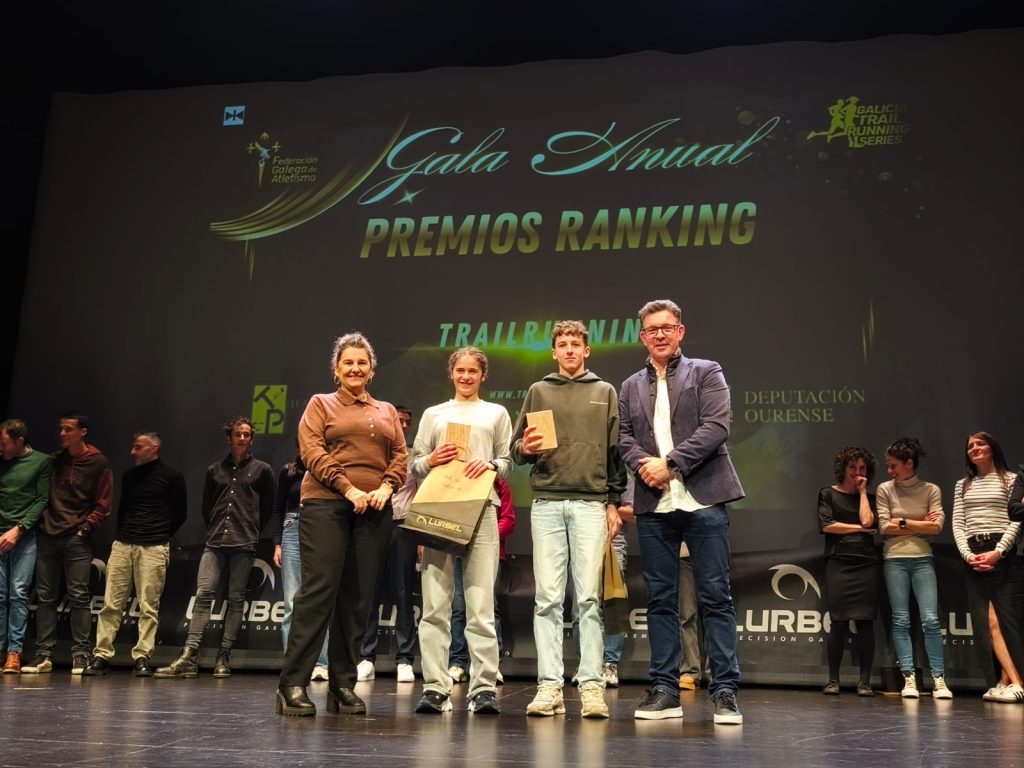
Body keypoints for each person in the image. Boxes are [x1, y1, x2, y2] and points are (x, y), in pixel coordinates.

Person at [618, 299, 745, 724]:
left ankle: (724, 692)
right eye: (651, 329)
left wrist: (670, 463)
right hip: (655, 504)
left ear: (680, 332)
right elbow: (623, 437)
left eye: (666, 327)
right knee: (660, 600)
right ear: (642, 336)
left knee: (715, 597)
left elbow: (716, 427)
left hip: (703, 499)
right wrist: (646, 466)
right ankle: (665, 690)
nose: (659, 334)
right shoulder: (630, 385)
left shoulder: (706, 372)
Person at [276, 332, 407, 717]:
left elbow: (400, 455)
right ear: (336, 369)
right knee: (318, 594)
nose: (355, 368)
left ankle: (343, 685)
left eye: (362, 363)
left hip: (374, 509)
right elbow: (312, 452)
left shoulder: (386, 410)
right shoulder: (321, 404)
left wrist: (386, 487)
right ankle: (292, 684)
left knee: (358, 600)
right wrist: (348, 489)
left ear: (372, 370)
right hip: (327, 505)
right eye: (348, 362)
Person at [510, 320, 625, 719]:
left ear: (586, 350)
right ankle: (549, 687)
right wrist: (526, 447)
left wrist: (613, 502)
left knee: (589, 598)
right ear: (554, 352)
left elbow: (615, 452)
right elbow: (516, 449)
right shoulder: (539, 390)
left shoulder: (604, 391)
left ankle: (591, 686)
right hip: (547, 503)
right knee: (547, 599)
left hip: (591, 503)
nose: (570, 349)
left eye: (576, 343)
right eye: (563, 344)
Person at [411, 346, 512, 716]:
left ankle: (483, 688)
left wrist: (491, 464)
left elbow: (507, 459)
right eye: (460, 370)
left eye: (473, 371)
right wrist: (430, 459)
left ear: (483, 375)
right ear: (451, 374)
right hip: (438, 507)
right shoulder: (434, 413)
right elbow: (415, 462)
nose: (466, 376)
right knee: (435, 605)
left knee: (480, 606)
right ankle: (435, 687)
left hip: (482, 508)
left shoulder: (496, 413)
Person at [155, 417, 274, 679]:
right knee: (204, 594)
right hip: (215, 541)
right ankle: (189, 655)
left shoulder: (263, 470)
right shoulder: (214, 470)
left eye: (246, 434)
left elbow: (267, 509)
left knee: (236, 599)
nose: (242, 438)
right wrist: (217, 528)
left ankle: (224, 656)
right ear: (229, 438)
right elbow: (207, 508)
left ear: (251, 439)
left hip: (244, 542)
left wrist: (251, 530)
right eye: (237, 434)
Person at [84, 432, 187, 677]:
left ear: (154, 448)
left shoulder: (172, 477)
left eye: (138, 447)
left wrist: (159, 535)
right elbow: (123, 510)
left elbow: (181, 514)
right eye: (133, 447)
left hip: (153, 547)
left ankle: (142, 656)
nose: (133, 452)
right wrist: (123, 536)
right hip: (123, 544)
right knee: (111, 603)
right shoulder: (129, 476)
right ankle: (101, 655)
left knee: (148, 606)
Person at [23, 412, 113, 675]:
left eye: (68, 429)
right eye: (61, 429)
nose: (62, 434)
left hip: (76, 538)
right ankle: (43, 655)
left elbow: (103, 503)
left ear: (82, 432)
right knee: (45, 597)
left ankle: (81, 654)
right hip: (48, 536)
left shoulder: (98, 462)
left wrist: (85, 529)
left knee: (79, 596)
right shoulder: (54, 461)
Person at [951, 431, 1024, 702]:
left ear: (993, 448)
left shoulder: (1011, 479)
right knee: (986, 622)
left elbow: (1016, 520)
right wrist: (968, 555)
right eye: (970, 445)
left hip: (1002, 552)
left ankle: (1016, 682)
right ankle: (1006, 681)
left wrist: (999, 552)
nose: (974, 448)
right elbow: (958, 523)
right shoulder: (962, 485)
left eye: (980, 443)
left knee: (1006, 620)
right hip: (973, 553)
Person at [876, 437, 950, 699]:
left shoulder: (931, 490)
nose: (889, 471)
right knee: (901, 619)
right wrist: (920, 523)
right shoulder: (885, 489)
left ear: (909, 463)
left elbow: (937, 527)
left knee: (931, 620)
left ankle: (939, 679)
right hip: (894, 559)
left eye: (893, 465)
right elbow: (883, 526)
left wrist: (903, 521)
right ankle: (909, 678)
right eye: (888, 466)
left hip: (922, 558)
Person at [357, 405, 421, 684]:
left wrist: (421, 535)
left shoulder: (414, 456)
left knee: (403, 592)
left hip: (404, 527)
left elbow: (421, 494)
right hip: (373, 525)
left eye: (407, 422)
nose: (403, 425)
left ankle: (405, 659)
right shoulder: (373, 451)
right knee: (370, 591)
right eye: (399, 420)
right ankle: (366, 657)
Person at [818, 446, 879, 696]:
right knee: (839, 622)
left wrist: (862, 492)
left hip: (866, 563)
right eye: (853, 467)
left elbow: (868, 521)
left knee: (865, 622)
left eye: (862, 468)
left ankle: (864, 682)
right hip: (839, 562)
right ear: (843, 468)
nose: (857, 472)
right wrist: (860, 530)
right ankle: (833, 680)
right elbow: (827, 526)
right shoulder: (828, 494)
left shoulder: (871, 498)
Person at [448, 476, 515, 686]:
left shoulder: (499, 484)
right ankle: (458, 662)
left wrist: (483, 538)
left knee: (487, 607)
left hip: (489, 553)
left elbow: (508, 520)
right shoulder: (459, 482)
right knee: (458, 607)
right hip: (458, 550)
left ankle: (490, 665)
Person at [0, 419, 52, 674]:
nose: (1, 448)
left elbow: (42, 500)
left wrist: (18, 529)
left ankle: (14, 652)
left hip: (23, 536)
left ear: (19, 441)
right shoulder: (2, 462)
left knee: (18, 594)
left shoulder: (41, 462)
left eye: (4, 443)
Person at [272, 449, 329, 683]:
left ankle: (321, 664)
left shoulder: (327, 468)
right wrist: (277, 544)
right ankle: (293, 665)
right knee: (291, 603)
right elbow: (278, 508)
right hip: (292, 531)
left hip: (320, 530)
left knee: (319, 601)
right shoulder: (289, 471)